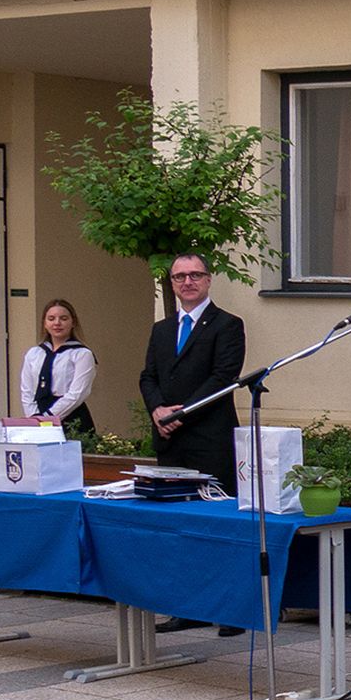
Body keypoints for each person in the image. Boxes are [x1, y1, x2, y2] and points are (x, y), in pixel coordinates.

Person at [139, 251, 247, 635]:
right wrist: (157, 411)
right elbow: (147, 377)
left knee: (218, 523)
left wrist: (180, 414)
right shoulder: (162, 329)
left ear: (208, 280)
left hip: (209, 438)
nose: (187, 282)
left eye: (195, 275)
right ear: (171, 283)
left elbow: (223, 378)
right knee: (180, 525)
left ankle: (232, 610)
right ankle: (190, 607)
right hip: (170, 442)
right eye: (179, 277)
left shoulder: (227, 325)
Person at [19, 297, 96, 434]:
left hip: (70, 416)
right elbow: (27, 390)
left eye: (64, 318)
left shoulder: (82, 354)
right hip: (38, 416)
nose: (57, 323)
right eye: (51, 318)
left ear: (73, 322)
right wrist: (34, 417)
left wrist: (48, 418)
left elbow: (77, 394)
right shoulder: (34, 354)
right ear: (44, 323)